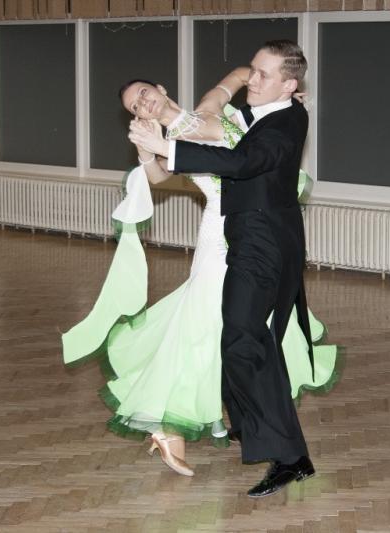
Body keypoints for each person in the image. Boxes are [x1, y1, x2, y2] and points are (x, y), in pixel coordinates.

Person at [62, 60, 338, 480]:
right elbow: (158, 178)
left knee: (230, 328)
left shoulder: (208, 107)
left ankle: (223, 417)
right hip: (220, 233)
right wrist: (147, 151)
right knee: (207, 326)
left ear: (160, 87)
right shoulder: (166, 139)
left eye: (144, 93)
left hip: (257, 227)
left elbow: (243, 73)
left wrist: (284, 96)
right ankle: (169, 425)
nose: (143, 103)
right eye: (135, 106)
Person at [128, 40, 319, 497]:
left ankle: (290, 455)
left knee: (243, 339)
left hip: (262, 242)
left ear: (289, 85)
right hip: (250, 237)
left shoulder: (284, 120)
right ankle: (254, 427)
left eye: (264, 75)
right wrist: (151, 151)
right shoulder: (270, 111)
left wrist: (166, 147)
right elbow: (211, 141)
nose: (252, 79)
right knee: (243, 339)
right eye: (134, 105)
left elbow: (242, 162)